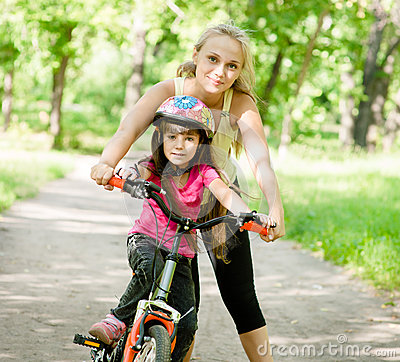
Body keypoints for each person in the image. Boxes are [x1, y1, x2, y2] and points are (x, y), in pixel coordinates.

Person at [91, 23, 285, 361]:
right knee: (180, 300)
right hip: (172, 199)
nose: (220, 72)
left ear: (239, 71)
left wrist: (275, 207)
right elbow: (129, 127)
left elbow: (261, 161)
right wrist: (107, 163)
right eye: (212, 59)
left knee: (239, 293)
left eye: (232, 66)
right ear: (195, 55)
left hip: (218, 195)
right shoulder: (168, 90)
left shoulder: (238, 103)